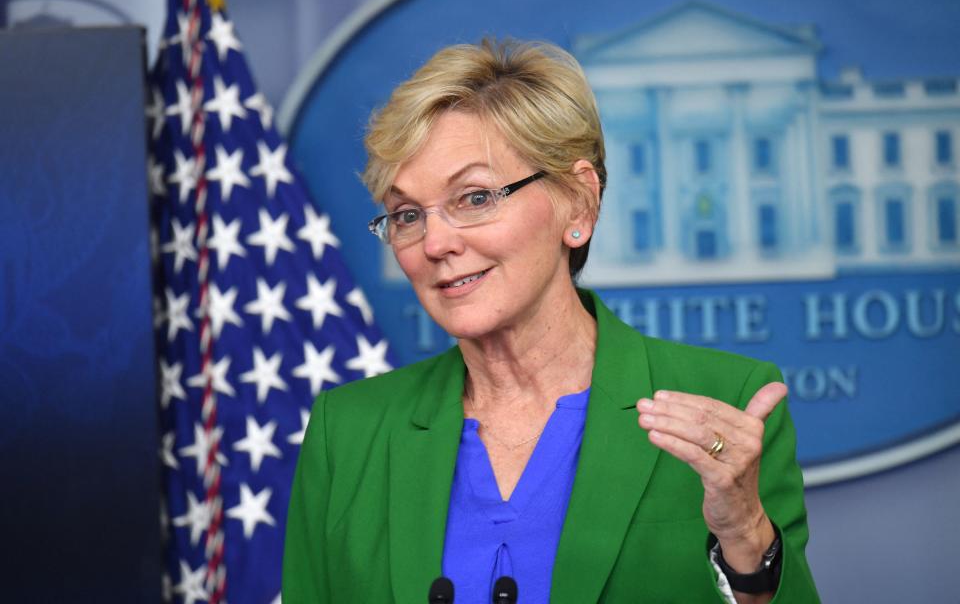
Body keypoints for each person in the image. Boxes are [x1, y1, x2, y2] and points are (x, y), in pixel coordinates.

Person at [283, 38, 819, 604]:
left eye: (474, 197)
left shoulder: (726, 402)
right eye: (407, 214)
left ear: (578, 203)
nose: (435, 243)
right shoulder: (348, 431)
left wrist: (743, 534)